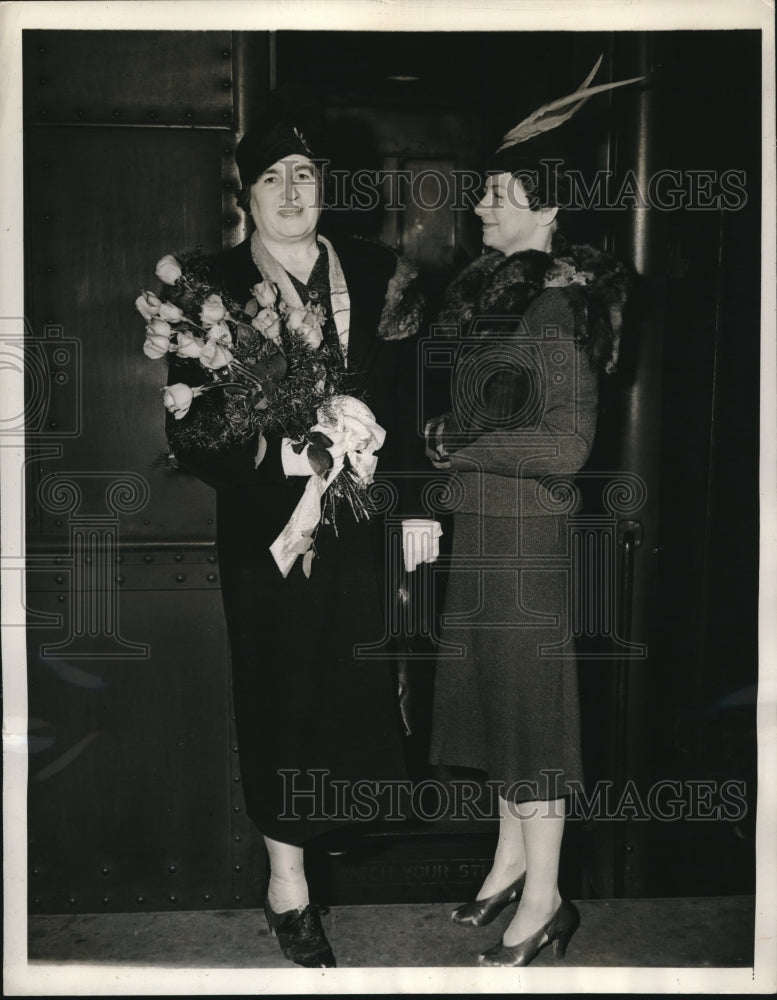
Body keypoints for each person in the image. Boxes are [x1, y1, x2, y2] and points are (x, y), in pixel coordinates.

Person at [163, 118, 438, 968]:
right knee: (279, 689)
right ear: (246, 193)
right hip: (266, 534)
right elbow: (190, 430)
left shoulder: (383, 276)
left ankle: (343, 829)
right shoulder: (205, 286)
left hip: (363, 527)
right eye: (273, 176)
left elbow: (418, 395)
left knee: (361, 683)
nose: (291, 191)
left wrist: (422, 508)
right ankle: (289, 884)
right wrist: (290, 453)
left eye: (306, 174)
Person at [424, 63, 639, 967]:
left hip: (526, 542)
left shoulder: (553, 306)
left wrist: (460, 448)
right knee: (493, 711)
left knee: (533, 721)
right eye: (482, 190)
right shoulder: (505, 295)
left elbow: (566, 448)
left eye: (497, 194)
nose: (480, 204)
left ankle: (547, 898)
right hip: (487, 532)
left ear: (546, 211)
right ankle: (510, 862)